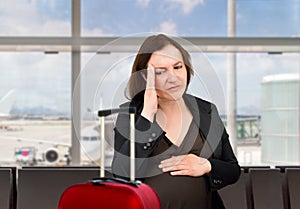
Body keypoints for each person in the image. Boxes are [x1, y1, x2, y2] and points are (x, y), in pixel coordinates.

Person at [111, 34, 240, 209]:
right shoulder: (129, 115)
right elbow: (123, 173)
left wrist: (207, 165)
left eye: (177, 67)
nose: (173, 77)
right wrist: (148, 115)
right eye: (160, 71)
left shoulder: (207, 111)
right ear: (144, 77)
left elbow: (233, 169)